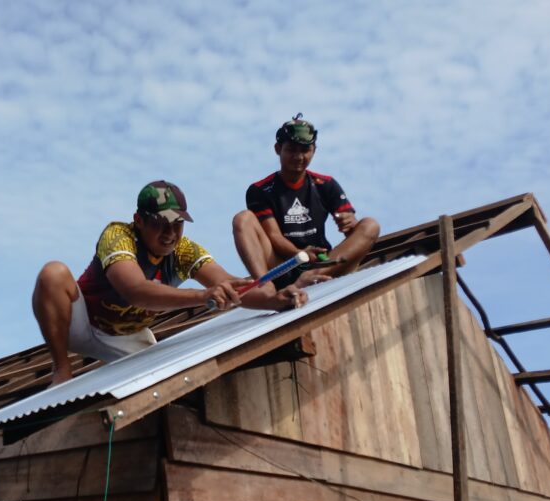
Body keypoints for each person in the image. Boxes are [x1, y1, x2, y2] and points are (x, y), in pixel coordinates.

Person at [33, 180, 318, 384]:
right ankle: (61, 371)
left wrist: (275, 299)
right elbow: (136, 292)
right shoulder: (118, 235)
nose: (170, 233)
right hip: (81, 325)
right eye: (161, 223)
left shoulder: (184, 250)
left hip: (128, 339)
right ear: (139, 221)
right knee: (53, 273)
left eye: (178, 224)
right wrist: (203, 295)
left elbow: (231, 285)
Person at [233, 114, 380, 285]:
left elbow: (350, 227)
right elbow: (274, 235)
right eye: (291, 150)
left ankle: (315, 277)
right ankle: (265, 288)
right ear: (278, 149)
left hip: (322, 263)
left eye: (305, 150)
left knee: (370, 225)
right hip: (284, 264)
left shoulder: (326, 184)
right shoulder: (260, 190)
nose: (298, 157)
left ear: (314, 151)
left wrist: (349, 223)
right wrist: (300, 255)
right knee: (243, 219)